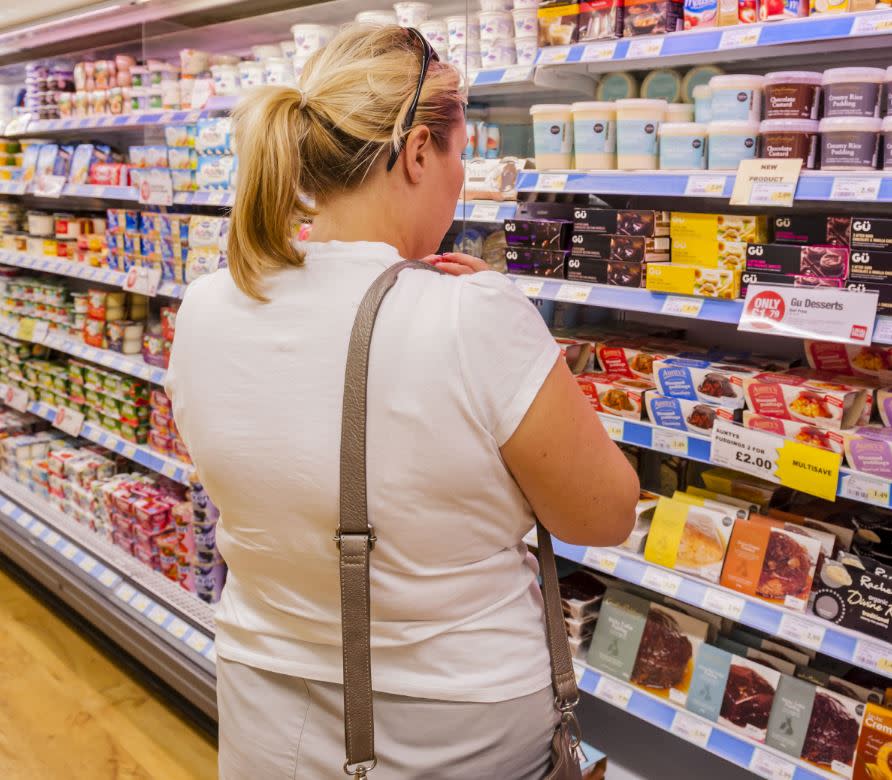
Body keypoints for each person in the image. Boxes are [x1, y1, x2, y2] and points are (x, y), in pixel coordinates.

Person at [166, 23, 639, 780]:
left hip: (263, 705)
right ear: (418, 152)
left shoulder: (206, 306)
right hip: (461, 725)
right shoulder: (472, 315)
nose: (462, 173)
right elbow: (603, 515)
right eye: (461, 151)